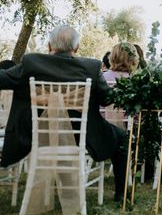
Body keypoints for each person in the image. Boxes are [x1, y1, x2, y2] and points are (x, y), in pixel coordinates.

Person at [0, 25, 128, 202]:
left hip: (38, 136)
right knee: (122, 137)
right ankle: (121, 194)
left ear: (49, 45)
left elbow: (2, 79)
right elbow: (107, 99)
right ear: (76, 48)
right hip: (82, 138)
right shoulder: (91, 67)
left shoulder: (31, 63)